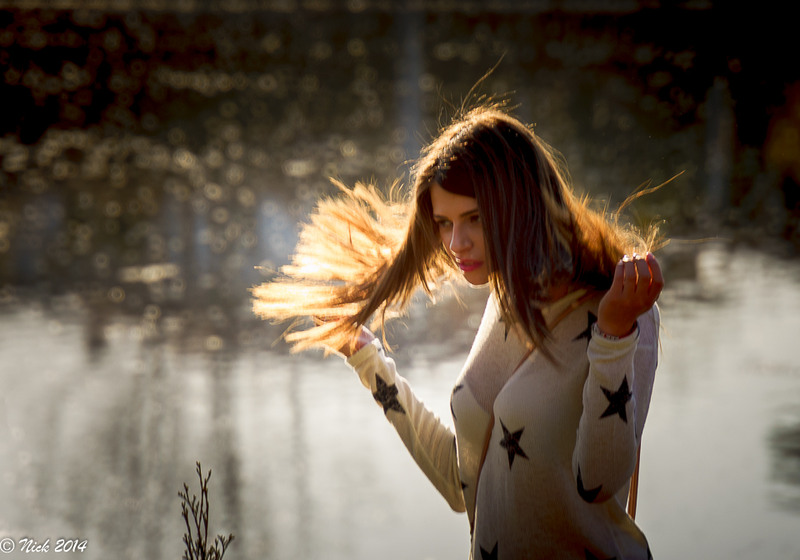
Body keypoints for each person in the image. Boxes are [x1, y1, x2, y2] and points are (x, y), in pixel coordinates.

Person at [253, 101, 663, 559]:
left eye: (475, 218)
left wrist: (613, 335)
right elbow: (460, 480)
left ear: (520, 204)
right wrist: (366, 357)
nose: (455, 244)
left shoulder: (624, 310)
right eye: (444, 223)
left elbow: (599, 482)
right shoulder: (509, 296)